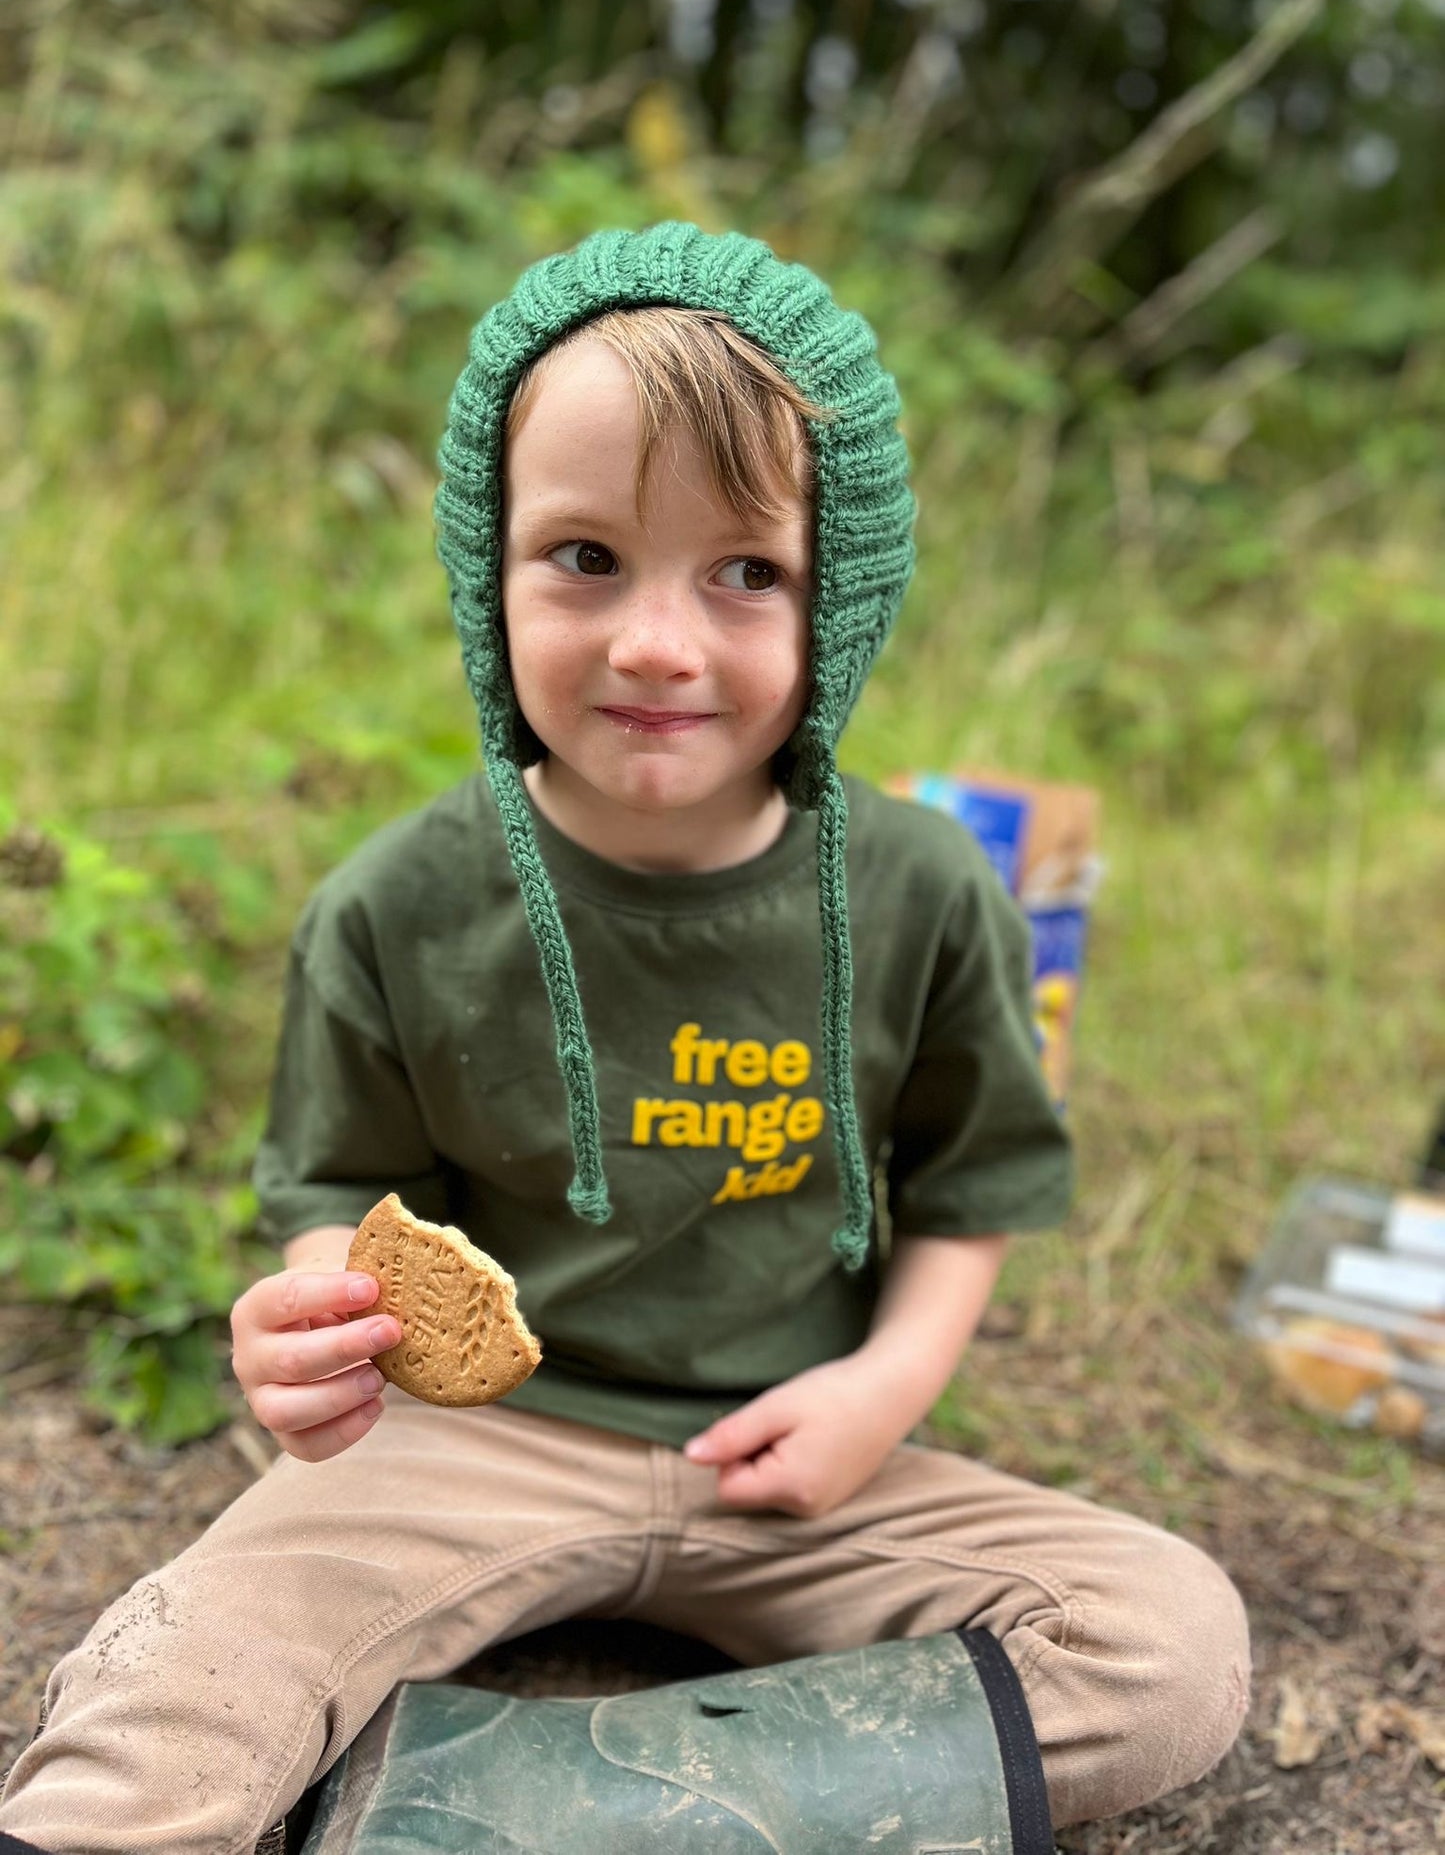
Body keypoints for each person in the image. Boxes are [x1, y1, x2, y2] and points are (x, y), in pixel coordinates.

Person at [0, 222, 1251, 1855]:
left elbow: (972, 1186)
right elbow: (346, 1186)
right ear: (490, 571)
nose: (657, 641)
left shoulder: (928, 892)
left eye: (745, 572)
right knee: (171, 1692)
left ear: (839, 599)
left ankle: (501, 1804)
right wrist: (315, 1338)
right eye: (585, 558)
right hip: (473, 1449)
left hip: (793, 1459)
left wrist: (886, 1384)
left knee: (1164, 1649)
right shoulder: (396, 906)